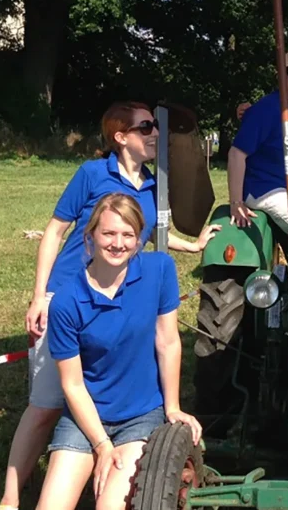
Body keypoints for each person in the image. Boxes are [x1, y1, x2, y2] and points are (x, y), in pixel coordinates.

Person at [0, 101, 218, 510]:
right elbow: (54, 231)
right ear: (120, 136)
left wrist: (192, 244)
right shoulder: (92, 174)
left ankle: (105, 452)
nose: (155, 133)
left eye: (155, 125)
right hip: (67, 294)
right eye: (146, 126)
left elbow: (139, 232)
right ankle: (10, 497)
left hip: (118, 290)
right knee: (46, 405)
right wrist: (39, 294)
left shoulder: (152, 184)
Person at [35, 193, 201, 510]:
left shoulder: (160, 270)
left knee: (108, 506)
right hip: (86, 416)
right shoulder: (67, 301)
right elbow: (71, 384)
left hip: (140, 415)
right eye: (109, 233)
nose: (118, 243)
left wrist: (174, 407)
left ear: (139, 240)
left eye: (128, 235)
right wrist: (101, 444)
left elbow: (167, 342)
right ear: (91, 235)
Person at [228, 50, 288, 232]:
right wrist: (236, 202)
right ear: (281, 76)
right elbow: (237, 153)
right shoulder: (265, 110)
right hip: (263, 188)